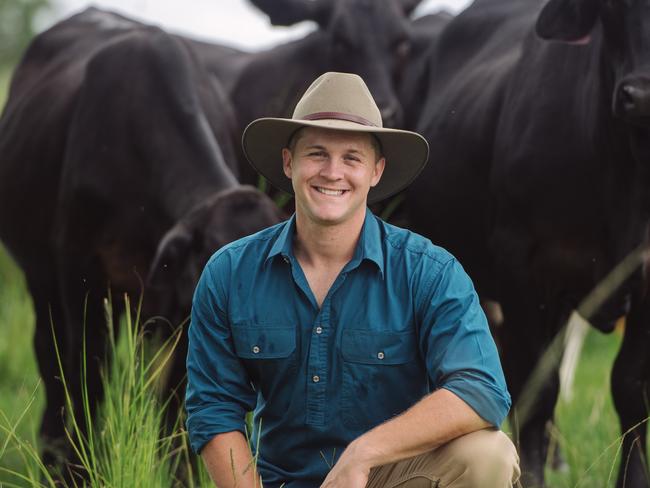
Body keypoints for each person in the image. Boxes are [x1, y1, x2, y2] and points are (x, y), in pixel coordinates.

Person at [185, 72, 520, 488]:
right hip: (280, 483)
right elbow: (214, 409)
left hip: (390, 479)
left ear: (376, 171)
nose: (332, 172)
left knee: (490, 455)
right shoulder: (229, 273)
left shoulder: (430, 271)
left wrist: (363, 454)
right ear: (288, 162)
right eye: (317, 154)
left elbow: (482, 389)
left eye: (352, 158)